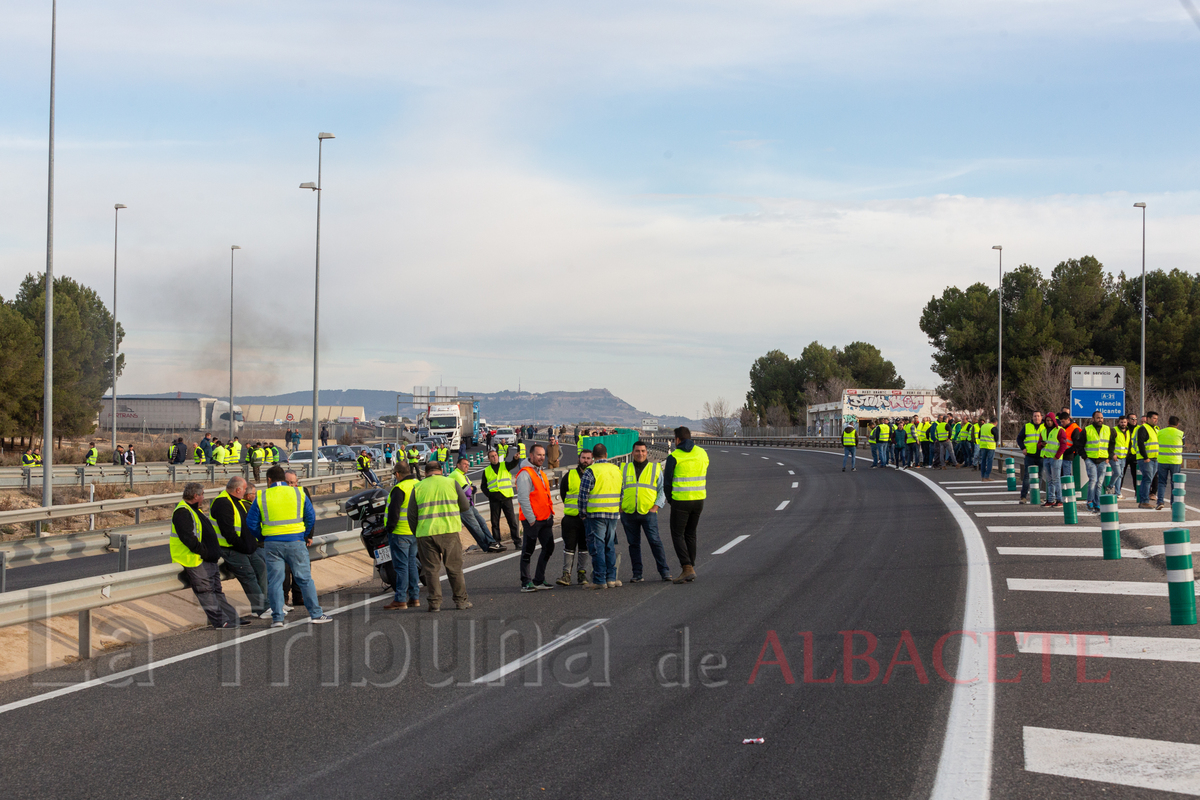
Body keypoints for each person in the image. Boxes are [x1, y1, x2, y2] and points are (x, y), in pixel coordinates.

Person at [246, 464, 330, 626]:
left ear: (269, 480)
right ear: (284, 479)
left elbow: (251, 522)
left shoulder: (262, 496)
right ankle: (316, 614)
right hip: (296, 542)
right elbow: (310, 516)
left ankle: (278, 618)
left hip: (272, 544)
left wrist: (263, 536)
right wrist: (304, 535)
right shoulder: (298, 492)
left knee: (275, 581)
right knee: (304, 579)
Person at [169, 482, 244, 628]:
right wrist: (204, 552)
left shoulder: (194, 510)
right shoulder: (182, 512)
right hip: (194, 559)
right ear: (196, 495)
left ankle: (231, 618)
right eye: (202, 494)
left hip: (207, 558)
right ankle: (220, 622)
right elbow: (188, 538)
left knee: (216, 591)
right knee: (206, 592)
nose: (203, 497)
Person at [407, 461, 473, 611]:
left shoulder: (418, 487)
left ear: (425, 472)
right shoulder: (451, 483)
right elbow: (465, 506)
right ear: (441, 471)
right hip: (449, 531)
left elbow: (411, 515)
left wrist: (417, 532)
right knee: (454, 568)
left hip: (425, 534)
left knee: (431, 570)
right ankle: (461, 601)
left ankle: (434, 603)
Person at [209, 476, 270, 619]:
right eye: (243, 489)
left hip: (246, 548)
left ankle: (261, 606)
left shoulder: (238, 502)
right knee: (248, 576)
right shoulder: (223, 504)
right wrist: (244, 547)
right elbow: (228, 533)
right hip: (231, 549)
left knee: (261, 569)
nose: (245, 492)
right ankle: (263, 608)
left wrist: (251, 545)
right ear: (238, 490)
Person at [620, 441, 673, 582]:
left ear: (647, 452)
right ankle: (637, 574)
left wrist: (656, 506)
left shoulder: (655, 468)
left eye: (643, 451)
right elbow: (618, 488)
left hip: (648, 512)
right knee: (633, 545)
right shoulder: (624, 468)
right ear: (632, 453)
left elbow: (662, 489)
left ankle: (664, 572)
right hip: (629, 512)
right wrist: (620, 507)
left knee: (655, 542)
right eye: (637, 451)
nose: (640, 454)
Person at [663, 426, 708, 584]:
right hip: (699, 499)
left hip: (681, 501)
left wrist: (670, 499)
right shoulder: (702, 453)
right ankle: (691, 567)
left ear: (677, 440)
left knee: (677, 534)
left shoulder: (674, 456)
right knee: (690, 533)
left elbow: (667, 483)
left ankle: (687, 567)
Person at [578, 443, 623, 589]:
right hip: (613, 513)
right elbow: (622, 491)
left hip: (595, 514)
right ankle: (611, 578)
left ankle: (599, 579)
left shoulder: (591, 471)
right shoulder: (616, 469)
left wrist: (582, 513)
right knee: (609, 545)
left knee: (598, 547)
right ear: (606, 455)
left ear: (593, 457)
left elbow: (583, 495)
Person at [516, 443, 556, 592]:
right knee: (528, 550)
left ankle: (539, 579)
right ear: (531, 456)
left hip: (545, 518)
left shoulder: (541, 472)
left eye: (543, 455)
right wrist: (531, 519)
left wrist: (550, 514)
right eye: (539, 455)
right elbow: (523, 498)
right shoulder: (525, 473)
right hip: (532, 520)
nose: (542, 458)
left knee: (549, 547)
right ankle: (526, 582)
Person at [382, 462, 422, 610]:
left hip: (400, 532)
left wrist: (389, 529)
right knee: (412, 564)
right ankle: (414, 597)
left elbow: (394, 512)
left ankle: (400, 599)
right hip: (415, 531)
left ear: (398, 474)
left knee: (401, 567)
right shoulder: (418, 484)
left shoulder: (399, 488)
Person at [450, 457, 503, 552]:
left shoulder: (463, 476)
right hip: (462, 506)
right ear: (458, 465)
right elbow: (468, 491)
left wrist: (471, 488)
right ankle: (488, 547)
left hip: (469, 505)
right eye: (464, 464)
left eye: (468, 464)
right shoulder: (456, 474)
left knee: (482, 522)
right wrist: (470, 488)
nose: (467, 466)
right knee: (475, 527)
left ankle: (492, 543)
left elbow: (474, 488)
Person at [557, 447, 592, 585]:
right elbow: (563, 493)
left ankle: (582, 574)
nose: (586, 461)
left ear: (592, 460)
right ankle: (566, 574)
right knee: (569, 546)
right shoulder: (569, 475)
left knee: (584, 547)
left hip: (587, 518)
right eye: (583, 458)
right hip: (571, 518)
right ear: (579, 459)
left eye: (588, 458)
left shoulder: (594, 475)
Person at [481, 448, 523, 548]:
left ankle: (517, 542)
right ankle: (497, 542)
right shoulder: (486, 471)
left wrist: (515, 458)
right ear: (489, 459)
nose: (494, 457)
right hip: (494, 500)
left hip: (506, 497)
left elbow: (513, 463)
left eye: (495, 455)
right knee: (495, 523)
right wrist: (490, 495)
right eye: (492, 456)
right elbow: (483, 486)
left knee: (512, 521)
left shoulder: (504, 465)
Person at [1083, 411, 1112, 512]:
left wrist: (1110, 456)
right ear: (1093, 419)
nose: (1100, 420)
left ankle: (1097, 503)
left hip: (1103, 460)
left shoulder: (1108, 429)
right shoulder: (1087, 430)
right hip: (1090, 459)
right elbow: (1080, 445)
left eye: (1101, 418)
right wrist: (1085, 457)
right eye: (1098, 418)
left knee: (1099, 483)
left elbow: (1112, 444)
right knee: (1093, 481)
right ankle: (1090, 501)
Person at [1156, 415, 1185, 511]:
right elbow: (1183, 444)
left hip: (1162, 460)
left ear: (1168, 422)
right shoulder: (1181, 433)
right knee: (1175, 483)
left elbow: (1157, 442)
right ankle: (1174, 503)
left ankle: (1160, 502)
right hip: (1175, 461)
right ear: (1178, 424)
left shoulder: (1160, 432)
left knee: (1161, 482)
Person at [1133, 411, 1159, 508]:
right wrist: (1145, 457)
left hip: (1155, 458)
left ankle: (1144, 500)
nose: (1155, 420)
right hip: (1146, 459)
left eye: (1156, 418)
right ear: (1148, 418)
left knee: (1149, 479)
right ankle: (1144, 501)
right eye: (1154, 418)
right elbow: (1140, 443)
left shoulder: (1156, 429)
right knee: (1147, 479)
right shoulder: (1143, 428)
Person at [1018, 411, 1044, 504]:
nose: (1036, 418)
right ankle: (1023, 497)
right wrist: (1023, 448)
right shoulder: (1027, 426)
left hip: (1041, 455)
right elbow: (1019, 438)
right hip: (1029, 455)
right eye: (1034, 416)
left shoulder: (1045, 427)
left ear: (1041, 417)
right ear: (1032, 417)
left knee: (1040, 476)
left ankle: (1037, 496)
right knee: (1027, 476)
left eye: (1038, 416)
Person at [1039, 412, 1064, 508]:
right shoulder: (1044, 431)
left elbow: (1063, 445)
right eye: (1047, 420)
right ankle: (1050, 499)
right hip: (1046, 457)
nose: (1049, 422)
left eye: (1050, 420)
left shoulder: (1059, 430)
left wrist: (1057, 456)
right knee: (1049, 480)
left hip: (1055, 458)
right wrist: (1041, 445)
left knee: (1056, 479)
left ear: (1054, 421)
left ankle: (1059, 499)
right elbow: (1039, 445)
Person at [1109, 414, 1134, 498]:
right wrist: (1112, 454)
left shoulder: (1128, 431)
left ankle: (1117, 492)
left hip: (1123, 457)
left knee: (1120, 475)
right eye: (1121, 422)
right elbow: (1110, 444)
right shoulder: (1114, 430)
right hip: (1115, 457)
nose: (1123, 424)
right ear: (1118, 422)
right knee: (1117, 473)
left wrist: (1127, 453)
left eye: (1124, 422)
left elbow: (1128, 443)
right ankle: (1109, 486)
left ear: (1127, 422)